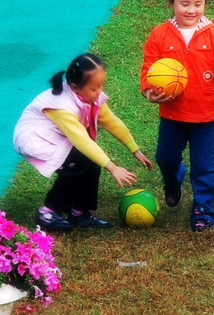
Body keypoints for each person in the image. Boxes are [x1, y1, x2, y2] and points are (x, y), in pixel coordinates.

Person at [140, 0, 214, 232]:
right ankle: (173, 179)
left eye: (197, 4)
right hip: (173, 112)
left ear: (205, 3)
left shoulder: (213, 33)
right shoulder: (160, 35)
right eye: (184, 4)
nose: (191, 10)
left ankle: (203, 210)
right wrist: (148, 92)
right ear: (171, 2)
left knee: (203, 165)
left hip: (206, 114)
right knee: (165, 158)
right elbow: (148, 69)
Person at [14, 53, 154, 232]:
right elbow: (81, 140)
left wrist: (135, 150)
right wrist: (112, 167)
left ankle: (78, 212)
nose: (99, 92)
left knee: (91, 163)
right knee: (74, 166)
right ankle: (48, 212)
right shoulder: (62, 107)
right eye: (94, 89)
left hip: (59, 135)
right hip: (36, 137)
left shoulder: (91, 96)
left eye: (100, 86)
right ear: (75, 87)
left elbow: (111, 121)